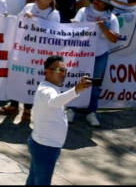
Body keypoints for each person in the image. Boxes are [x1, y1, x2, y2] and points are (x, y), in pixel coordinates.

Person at [26, 55, 92, 186]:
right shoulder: (47, 90)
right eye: (59, 70)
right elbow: (55, 101)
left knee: (33, 180)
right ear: (47, 71)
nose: (63, 74)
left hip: (44, 145)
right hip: (45, 148)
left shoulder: (52, 88)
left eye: (64, 71)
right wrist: (77, 89)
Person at [72, 0, 120, 128]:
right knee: (76, 81)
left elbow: (114, 38)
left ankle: (91, 112)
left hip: (100, 55)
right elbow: (74, 29)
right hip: (81, 53)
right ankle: (70, 109)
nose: (96, 1)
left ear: (106, 4)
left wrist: (102, 27)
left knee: (95, 85)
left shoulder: (111, 18)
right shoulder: (83, 11)